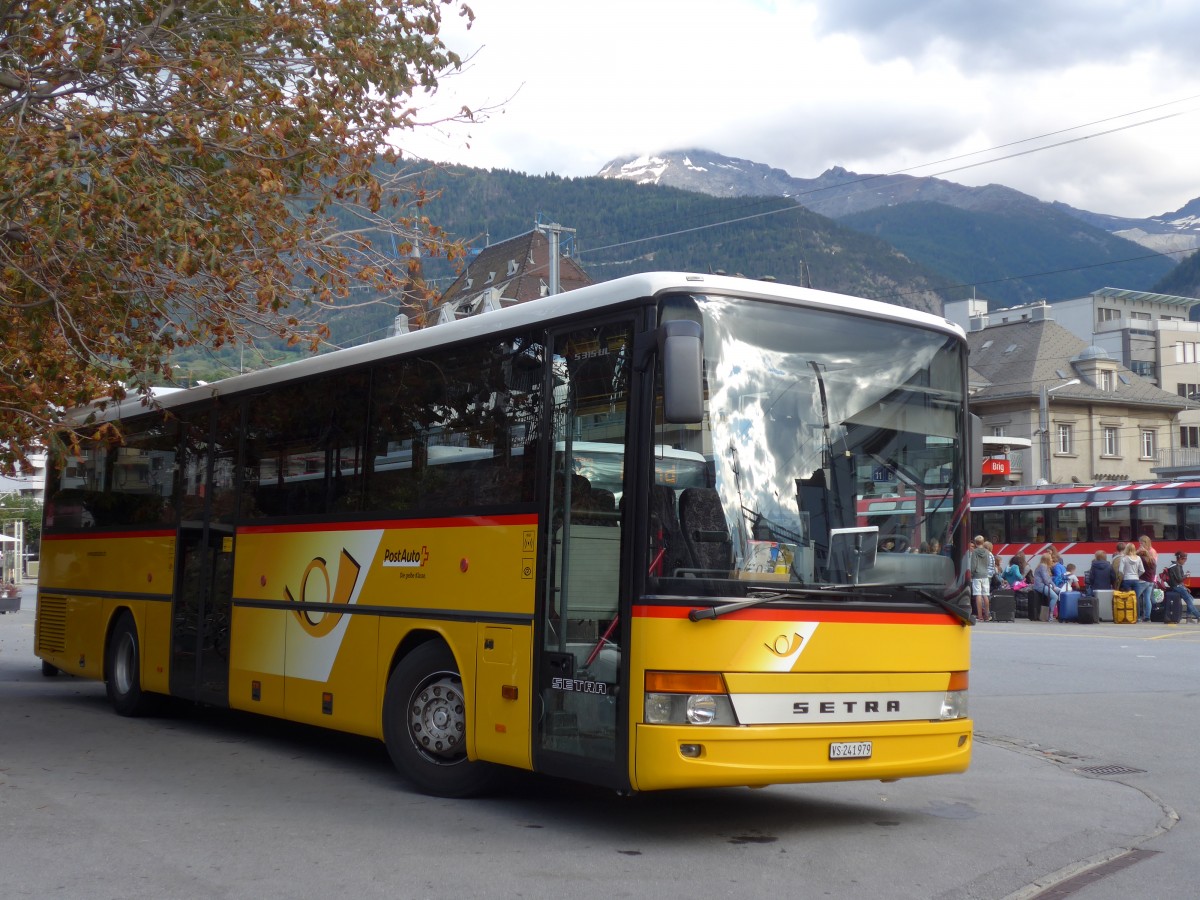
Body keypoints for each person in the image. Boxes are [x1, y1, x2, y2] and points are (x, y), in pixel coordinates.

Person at [1164, 551, 1200, 623]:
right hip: (1177, 587)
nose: (1185, 562)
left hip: (1178, 586)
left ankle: (1188, 617)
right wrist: (1186, 575)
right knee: (1189, 601)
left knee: (1191, 599)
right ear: (1181, 559)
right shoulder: (1175, 566)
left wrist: (1185, 587)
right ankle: (1198, 616)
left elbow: (1179, 580)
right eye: (1185, 560)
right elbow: (1179, 579)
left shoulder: (1176, 565)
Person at [1116, 544, 1146, 621]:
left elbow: (1120, 570)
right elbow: (1142, 570)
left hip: (1127, 580)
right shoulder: (1138, 558)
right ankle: (1137, 617)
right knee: (1136, 598)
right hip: (1136, 580)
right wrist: (1137, 575)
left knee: (1128, 598)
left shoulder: (1124, 558)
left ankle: (1129, 616)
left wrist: (1124, 575)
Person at [969, 535, 992, 622]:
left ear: (975, 543)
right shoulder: (987, 552)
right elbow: (988, 563)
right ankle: (987, 615)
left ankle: (980, 616)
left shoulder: (974, 552)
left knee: (978, 594)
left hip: (977, 576)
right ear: (983, 542)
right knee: (985, 595)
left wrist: (971, 574)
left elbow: (973, 565)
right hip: (985, 575)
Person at [1032, 552, 1060, 620]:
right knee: (1055, 597)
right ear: (1047, 559)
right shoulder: (1043, 566)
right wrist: (1052, 587)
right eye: (1050, 558)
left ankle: (1059, 614)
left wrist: (1054, 586)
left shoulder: (1044, 566)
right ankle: (1050, 614)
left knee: (1060, 592)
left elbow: (1049, 579)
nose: (1052, 560)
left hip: (1044, 585)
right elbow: (1045, 579)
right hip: (1040, 586)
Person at [1138, 548, 1157, 622]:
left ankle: (1137, 616)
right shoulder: (1152, 560)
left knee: (1135, 597)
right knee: (1147, 599)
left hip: (1143, 581)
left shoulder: (1141, 559)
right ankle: (1147, 617)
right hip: (1151, 581)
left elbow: (1140, 570)